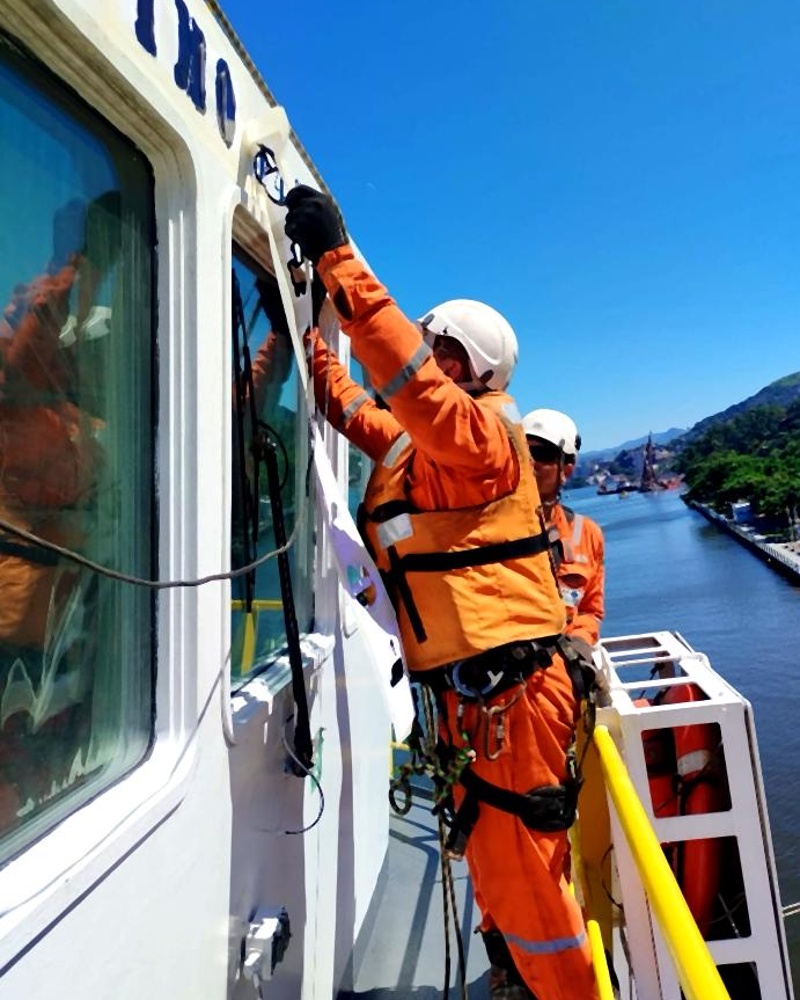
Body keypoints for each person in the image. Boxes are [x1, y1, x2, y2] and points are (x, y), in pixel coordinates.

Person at [283, 185, 599, 1000]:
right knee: (499, 875)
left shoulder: (486, 440)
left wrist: (339, 265)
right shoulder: (423, 456)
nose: (422, 355)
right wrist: (308, 332)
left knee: (531, 890)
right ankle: (516, 981)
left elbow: (409, 386)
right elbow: (358, 405)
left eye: (435, 346)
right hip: (475, 707)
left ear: (465, 364)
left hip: (514, 703)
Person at [522, 409, 605, 652]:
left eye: (542, 454)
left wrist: (578, 645)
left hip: (564, 669)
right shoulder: (488, 528)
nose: (531, 462)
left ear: (567, 469)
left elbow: (591, 610)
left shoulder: (587, 535)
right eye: (523, 452)